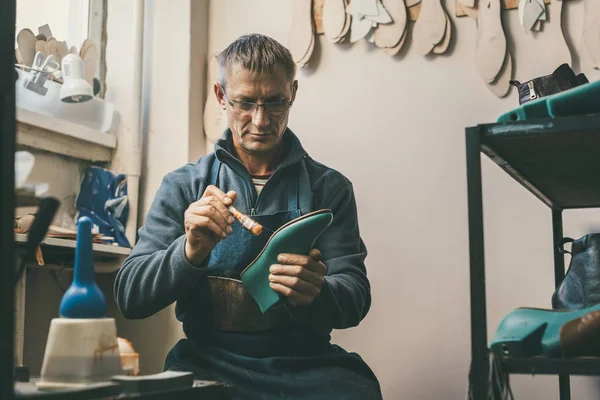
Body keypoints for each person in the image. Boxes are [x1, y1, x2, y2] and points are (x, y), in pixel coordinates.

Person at [114, 33, 382, 400]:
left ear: (294, 94)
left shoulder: (329, 188)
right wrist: (188, 251)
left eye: (275, 103)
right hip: (208, 360)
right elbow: (130, 296)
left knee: (358, 391)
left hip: (305, 363)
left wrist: (318, 294)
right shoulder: (184, 185)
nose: (260, 120)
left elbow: (355, 296)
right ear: (221, 95)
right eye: (245, 103)